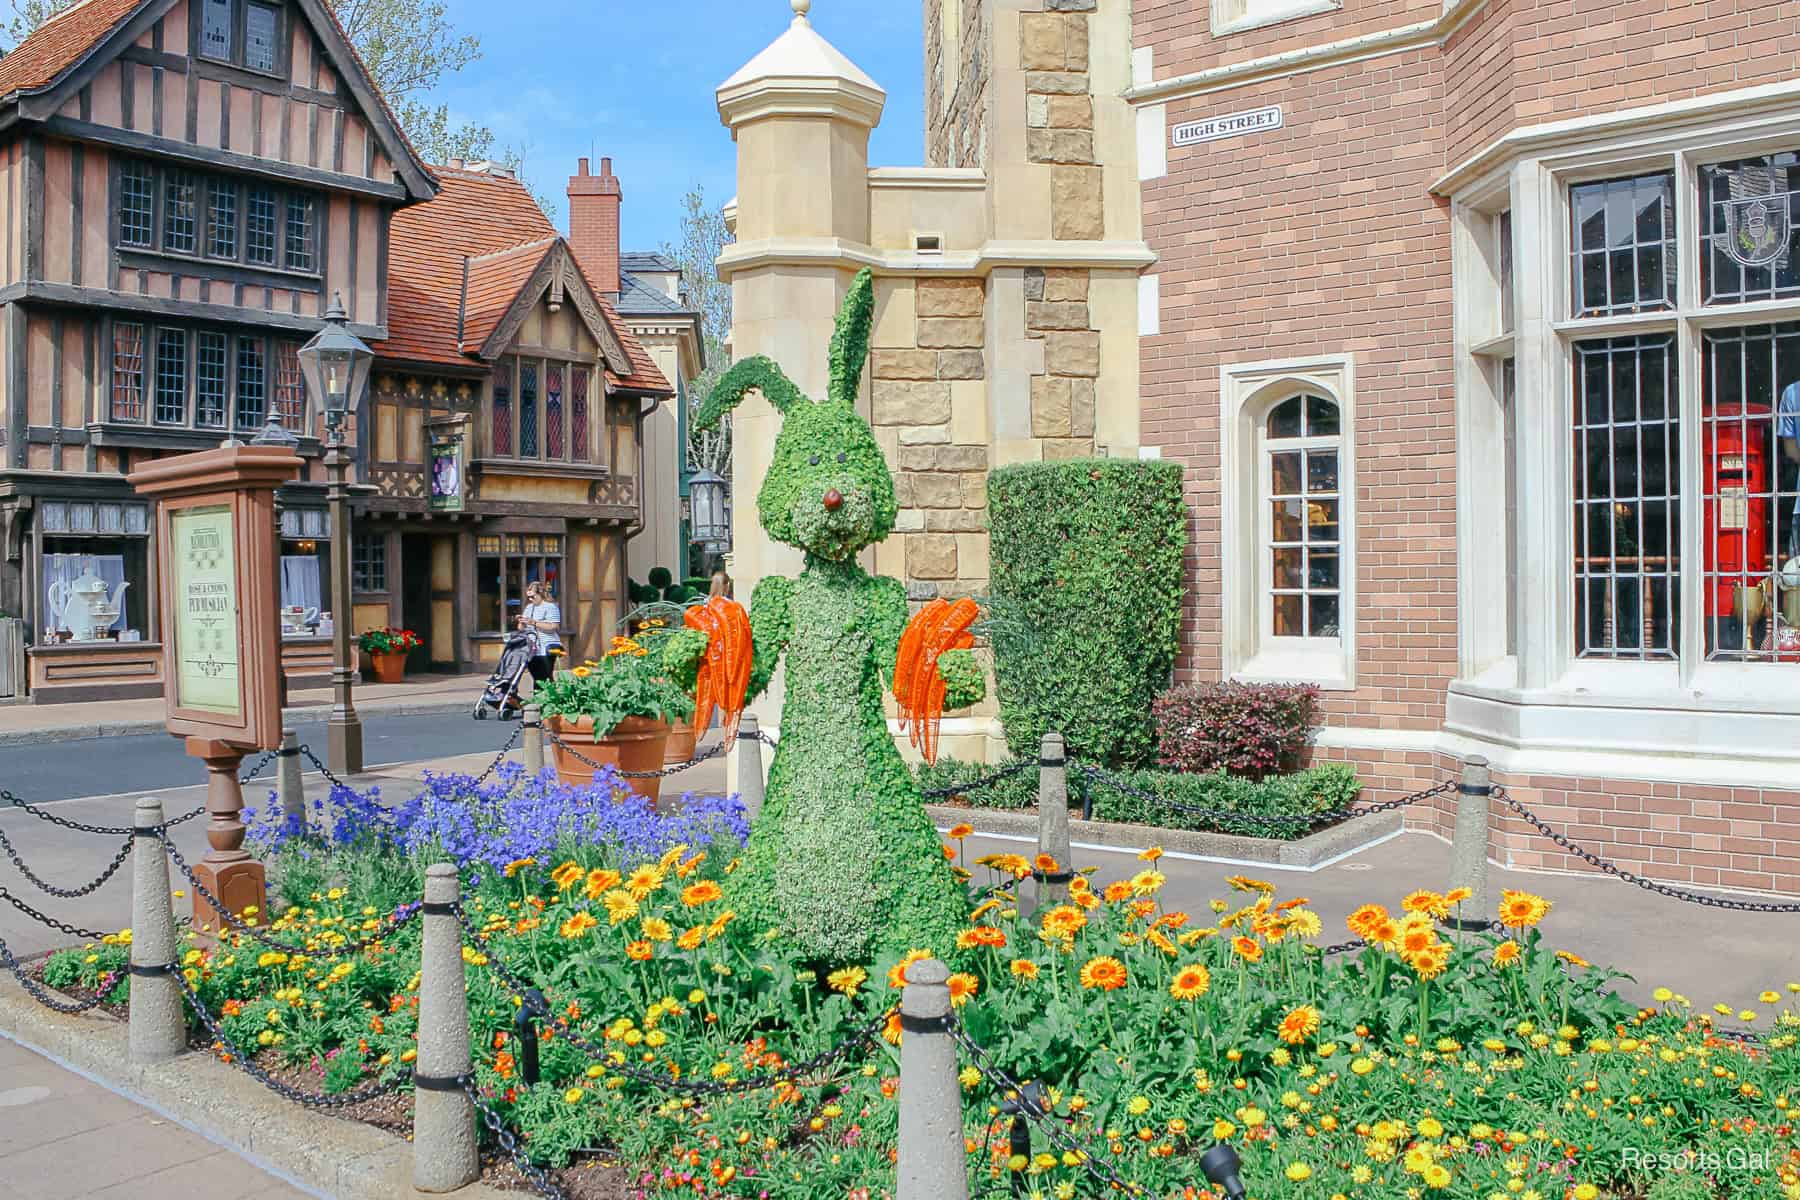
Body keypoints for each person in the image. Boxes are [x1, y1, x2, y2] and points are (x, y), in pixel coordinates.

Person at [518, 581, 563, 688]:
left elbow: (553, 627)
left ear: (540, 594)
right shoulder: (529, 607)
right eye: (528, 597)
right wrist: (521, 622)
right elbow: (521, 629)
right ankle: (540, 700)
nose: (530, 600)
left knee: (545, 677)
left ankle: (550, 700)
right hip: (532, 647)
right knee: (537, 678)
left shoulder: (550, 607)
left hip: (546, 645)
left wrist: (534, 622)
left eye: (533, 597)